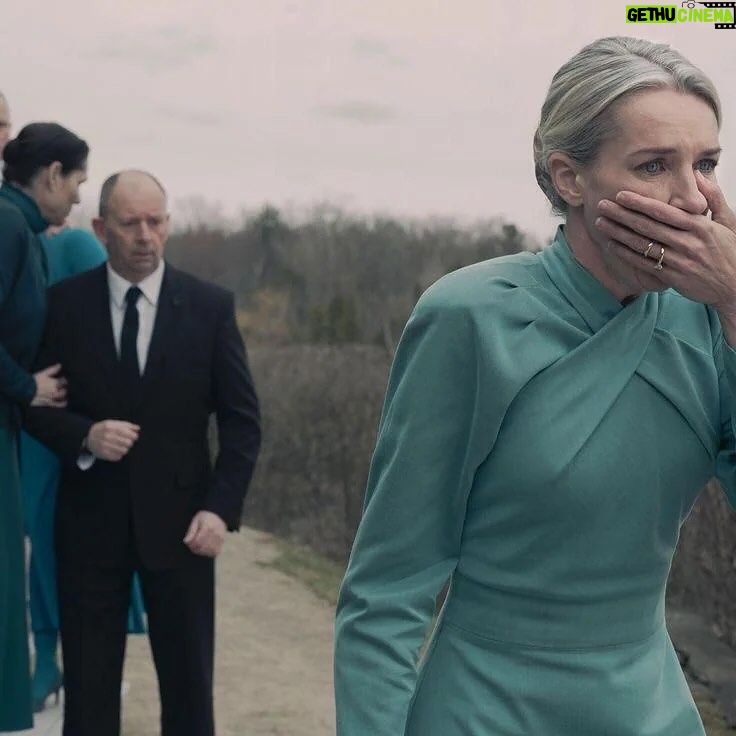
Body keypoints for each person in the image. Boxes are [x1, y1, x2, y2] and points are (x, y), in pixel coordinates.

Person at [333, 36, 736, 735]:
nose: (693, 198)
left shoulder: (708, 318)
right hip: (484, 708)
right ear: (569, 178)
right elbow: (387, 588)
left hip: (647, 710)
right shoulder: (472, 317)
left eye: (706, 164)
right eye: (654, 165)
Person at [24, 169, 261, 736]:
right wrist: (85, 436)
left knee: (188, 694)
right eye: (130, 223)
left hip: (183, 527)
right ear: (101, 228)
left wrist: (219, 509)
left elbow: (242, 423)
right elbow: (34, 405)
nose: (145, 235)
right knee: (88, 697)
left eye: (155, 221)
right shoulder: (62, 306)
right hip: (88, 526)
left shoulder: (209, 308)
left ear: (169, 225)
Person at [20, 224, 148, 713]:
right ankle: (45, 656)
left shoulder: (73, 245)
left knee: (62, 542)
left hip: (68, 421)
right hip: (23, 413)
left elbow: (117, 322)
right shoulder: (16, 241)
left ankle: (65, 661)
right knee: (37, 542)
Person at [0, 122, 87, 732]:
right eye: (78, 181)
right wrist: (26, 386)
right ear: (53, 175)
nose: (78, 197)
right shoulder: (7, 226)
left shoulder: (20, 229)